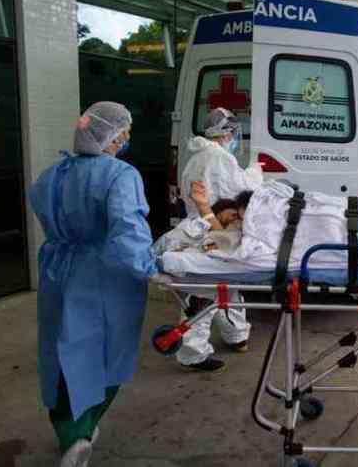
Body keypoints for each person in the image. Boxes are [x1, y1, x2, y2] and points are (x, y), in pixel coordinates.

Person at [28, 102, 169, 467]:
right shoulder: (120, 175)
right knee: (106, 352)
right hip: (105, 275)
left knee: (62, 352)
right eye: (125, 131)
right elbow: (127, 228)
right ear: (114, 135)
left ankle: (69, 430)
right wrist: (150, 267)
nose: (127, 137)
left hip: (58, 270)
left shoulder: (50, 174)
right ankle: (81, 432)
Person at [176, 107, 262, 372]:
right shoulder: (219, 158)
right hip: (213, 230)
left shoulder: (196, 157)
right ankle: (193, 353)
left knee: (228, 285)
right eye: (234, 132)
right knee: (204, 293)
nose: (236, 137)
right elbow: (240, 190)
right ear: (227, 132)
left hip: (201, 224)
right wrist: (256, 172)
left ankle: (236, 335)